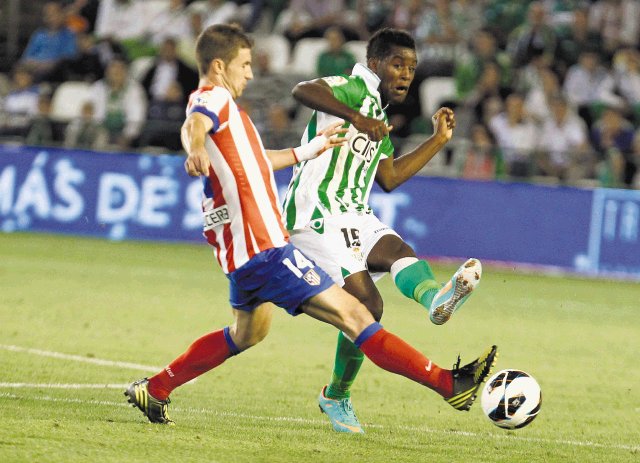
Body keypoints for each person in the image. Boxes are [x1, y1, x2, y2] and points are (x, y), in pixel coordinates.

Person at [124, 24, 497, 426]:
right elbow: (196, 119)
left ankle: (156, 387)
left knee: (247, 334)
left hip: (246, 253)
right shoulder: (214, 97)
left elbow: (260, 162)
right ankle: (448, 385)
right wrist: (195, 147)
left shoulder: (237, 118)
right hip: (272, 246)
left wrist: (308, 150)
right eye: (245, 64)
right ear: (220, 65)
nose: (250, 74)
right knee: (359, 316)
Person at [282, 28, 486, 434]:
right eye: (397, 64)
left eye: (412, 67)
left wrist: (437, 140)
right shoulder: (354, 87)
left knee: (399, 251)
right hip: (316, 215)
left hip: (355, 213)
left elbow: (389, 178)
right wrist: (355, 116)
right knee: (369, 308)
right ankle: (336, 396)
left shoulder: (377, 110)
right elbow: (302, 89)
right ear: (374, 63)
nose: (406, 74)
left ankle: (435, 300)